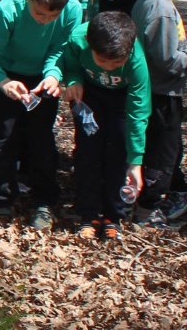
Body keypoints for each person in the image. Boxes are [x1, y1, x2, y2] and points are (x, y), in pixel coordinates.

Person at [0, 0, 81, 229]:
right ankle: (3, 200)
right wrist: (3, 82)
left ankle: (43, 201)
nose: (44, 20)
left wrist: (54, 75)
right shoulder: (8, 9)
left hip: (43, 77)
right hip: (5, 74)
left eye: (51, 15)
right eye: (38, 13)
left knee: (41, 139)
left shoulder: (73, 10)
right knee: (3, 137)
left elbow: (62, 49)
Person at [62, 12, 150, 240]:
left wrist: (136, 161)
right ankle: (87, 213)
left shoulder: (136, 61)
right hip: (89, 96)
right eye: (102, 61)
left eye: (116, 63)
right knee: (87, 151)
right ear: (90, 45)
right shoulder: (78, 39)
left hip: (121, 99)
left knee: (119, 149)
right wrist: (74, 81)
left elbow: (138, 112)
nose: (109, 67)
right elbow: (70, 66)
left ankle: (114, 215)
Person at [130, 0, 187, 225]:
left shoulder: (145, 2)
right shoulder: (161, 11)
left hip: (158, 93)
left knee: (171, 148)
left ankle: (171, 193)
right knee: (163, 153)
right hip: (162, 94)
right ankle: (148, 209)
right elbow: (167, 60)